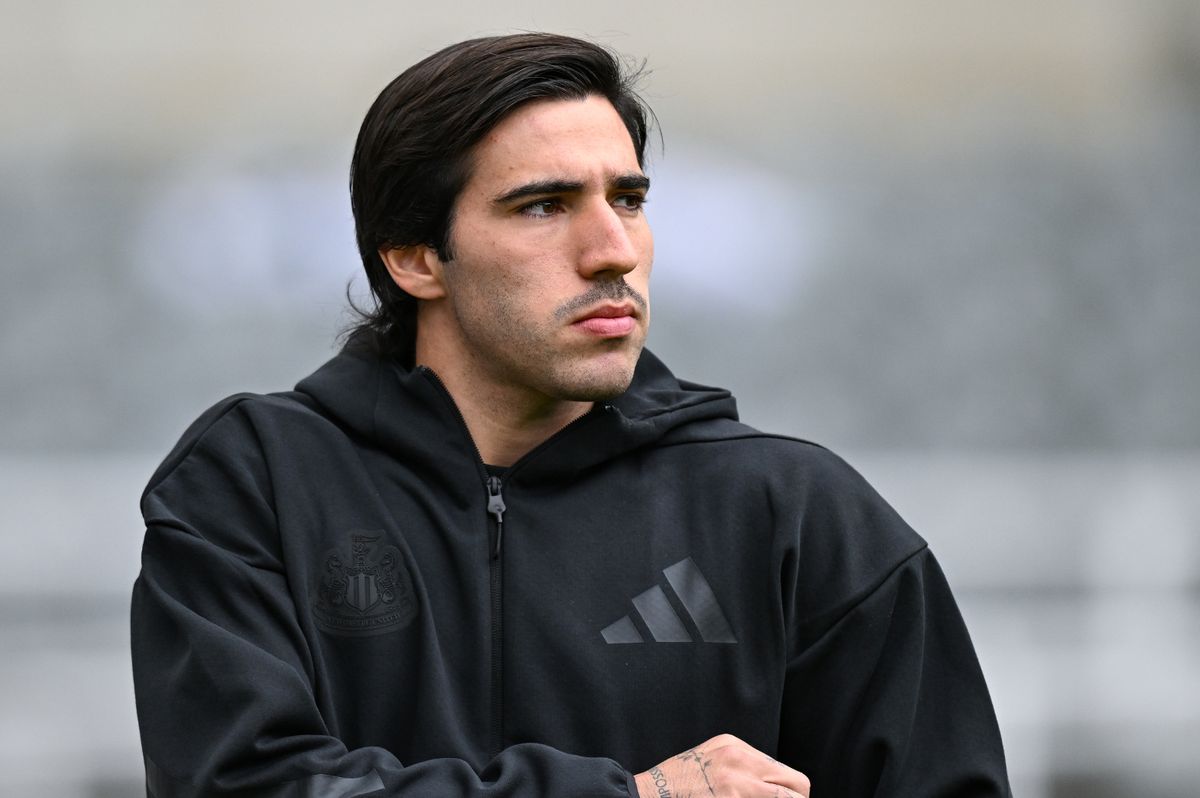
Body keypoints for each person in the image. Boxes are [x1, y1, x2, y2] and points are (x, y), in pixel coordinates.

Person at [130, 33, 1010, 798]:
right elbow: (244, 784)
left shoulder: (793, 514)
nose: (613, 251)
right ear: (412, 258)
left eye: (627, 200)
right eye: (545, 206)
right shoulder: (253, 482)